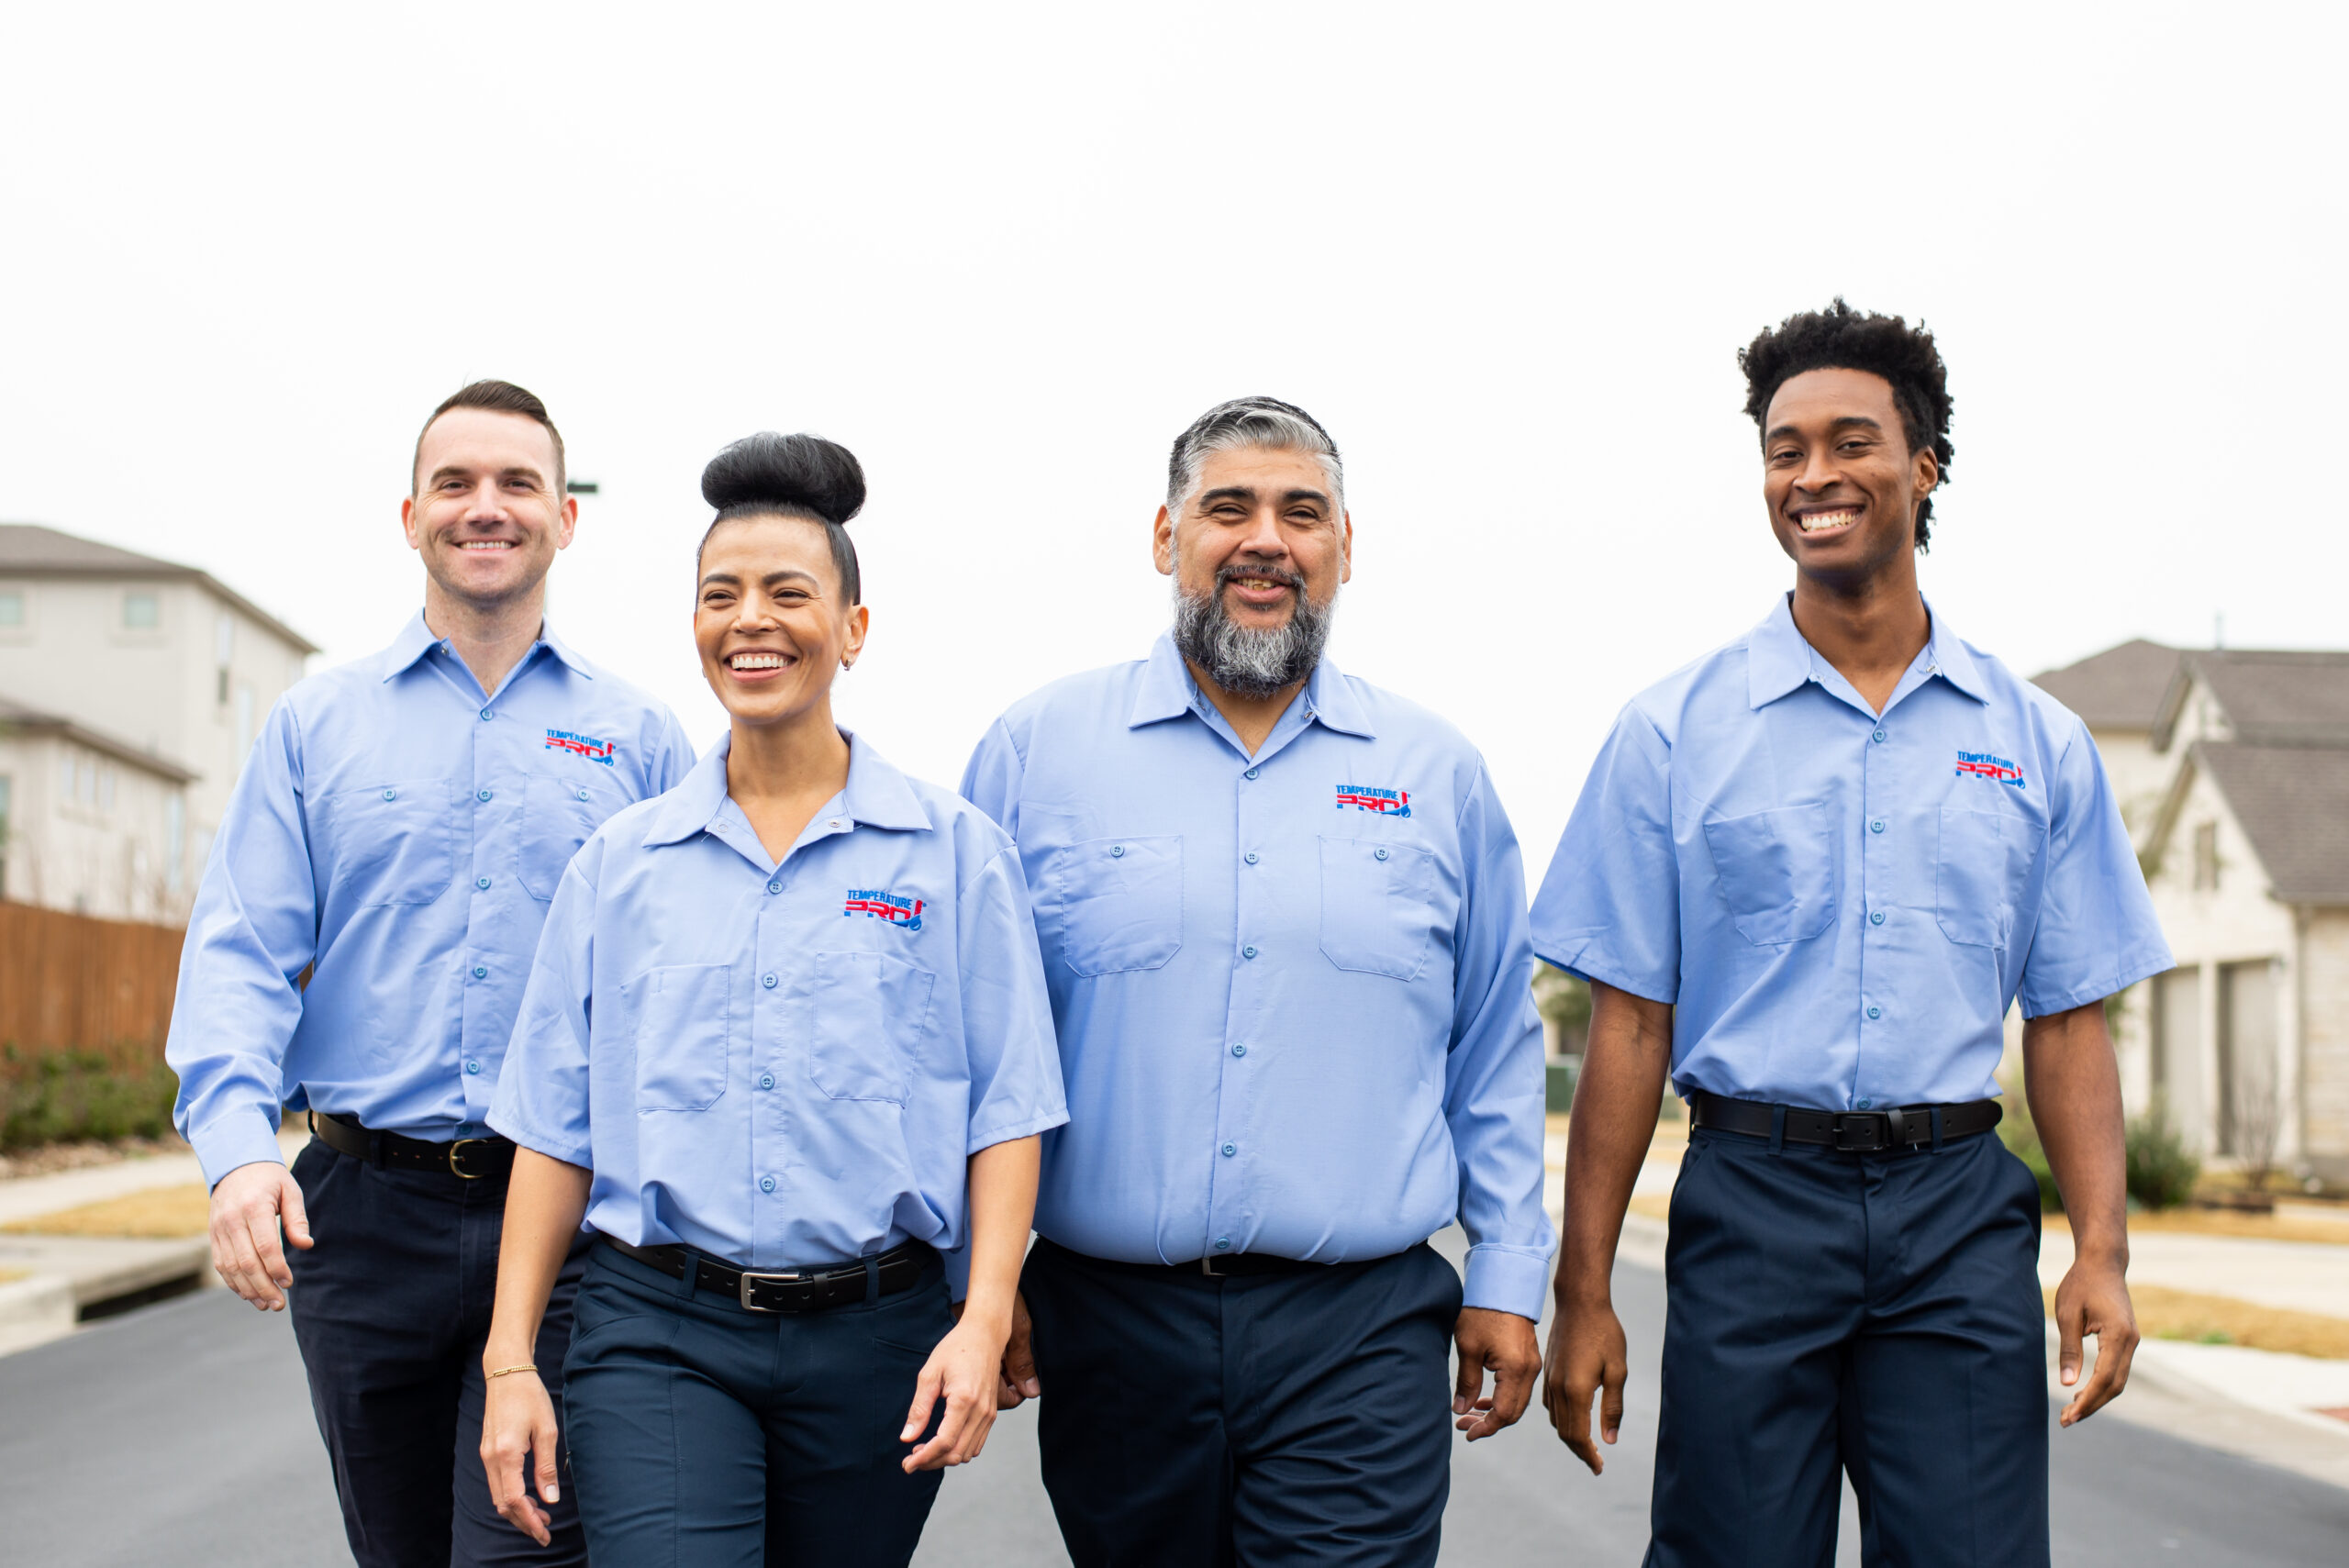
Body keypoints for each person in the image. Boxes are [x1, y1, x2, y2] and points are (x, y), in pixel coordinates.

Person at [1532, 301, 2172, 1567]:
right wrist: (1584, 1289)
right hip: (1755, 1201)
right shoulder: (1672, 733)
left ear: (1923, 466)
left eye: (1849, 441)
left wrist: (2101, 1251)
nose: (1813, 475)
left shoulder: (2034, 741)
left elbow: (2068, 1017)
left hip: (1955, 1214)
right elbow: (1632, 1026)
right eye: (1784, 449)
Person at [960, 396, 1553, 1567]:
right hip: (1110, 1322)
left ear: (1344, 546)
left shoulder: (1437, 773)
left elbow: (1491, 1042)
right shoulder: (1034, 755)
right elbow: (971, 1040)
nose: (1265, 540)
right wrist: (977, 1282)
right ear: (1164, 536)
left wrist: (1509, 1269)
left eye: (1301, 512)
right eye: (1227, 508)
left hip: (1360, 1328)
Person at [478, 432, 1065, 1566]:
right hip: (660, 1331)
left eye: (788, 593)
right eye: (720, 595)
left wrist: (983, 1312)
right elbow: (552, 1128)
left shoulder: (955, 856)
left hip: (879, 1337)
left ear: (852, 626)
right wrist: (513, 1361)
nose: (750, 618)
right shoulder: (621, 863)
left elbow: (1010, 1106)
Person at [166, 380, 697, 1566]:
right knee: (398, 1547)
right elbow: (241, 948)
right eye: (455, 483)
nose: (485, 507)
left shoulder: (642, 738)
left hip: (566, 1221)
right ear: (410, 515)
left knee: (527, 1546)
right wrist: (238, 1151)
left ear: (567, 517)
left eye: (517, 482)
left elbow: (687, 983)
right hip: (363, 1218)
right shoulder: (318, 726)